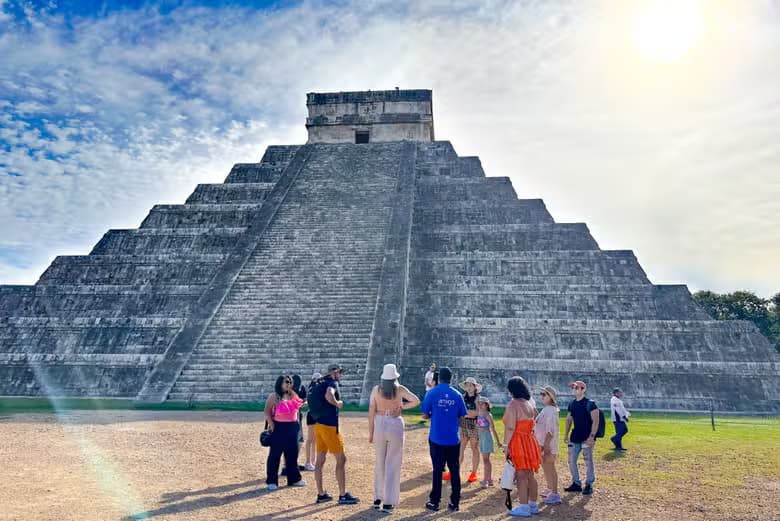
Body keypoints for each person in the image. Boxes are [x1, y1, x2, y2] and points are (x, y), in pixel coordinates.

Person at [368, 363, 420, 514]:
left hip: (379, 423)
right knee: (393, 463)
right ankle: (389, 502)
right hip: (395, 422)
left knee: (380, 462)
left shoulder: (376, 390)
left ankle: (378, 498)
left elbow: (371, 411)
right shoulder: (400, 389)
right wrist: (402, 407)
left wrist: (371, 432)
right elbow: (416, 401)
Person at [311, 363, 359, 505]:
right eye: (339, 372)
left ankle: (321, 494)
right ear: (334, 373)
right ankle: (343, 495)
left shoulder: (320, 383)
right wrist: (337, 403)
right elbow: (329, 395)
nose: (340, 375)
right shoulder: (331, 383)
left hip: (319, 425)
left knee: (320, 461)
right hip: (330, 427)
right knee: (341, 459)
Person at [420, 367, 467, 513]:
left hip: (437, 437)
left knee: (437, 470)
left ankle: (435, 501)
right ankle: (455, 502)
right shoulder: (458, 395)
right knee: (454, 470)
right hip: (453, 438)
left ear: (438, 379)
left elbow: (425, 414)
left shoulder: (432, 393)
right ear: (451, 379)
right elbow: (462, 415)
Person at [503, 376, 542, 517]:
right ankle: (533, 504)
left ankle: (524, 507)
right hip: (529, 441)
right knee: (530, 474)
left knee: (520, 475)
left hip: (518, 442)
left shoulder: (513, 405)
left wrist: (505, 445)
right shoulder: (528, 403)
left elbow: (510, 427)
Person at [263, 375, 306, 490]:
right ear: (280, 383)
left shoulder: (293, 395)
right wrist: (272, 425)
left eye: (290, 382)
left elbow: (298, 407)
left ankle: (294, 479)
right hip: (279, 427)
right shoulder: (274, 396)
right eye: (286, 382)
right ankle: (272, 481)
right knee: (274, 455)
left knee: (292, 455)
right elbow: (267, 411)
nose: (288, 384)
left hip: (292, 427)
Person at [563, 380, 600, 495]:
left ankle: (589, 484)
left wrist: (592, 436)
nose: (574, 390)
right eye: (573, 388)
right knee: (571, 460)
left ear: (583, 389)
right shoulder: (572, 404)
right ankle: (576, 483)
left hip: (587, 437)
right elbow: (569, 420)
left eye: (576, 388)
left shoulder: (590, 403)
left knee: (588, 461)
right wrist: (566, 434)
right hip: (575, 436)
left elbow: (596, 421)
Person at [445, 376, 481, 483]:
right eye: (467, 385)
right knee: (460, 448)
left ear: (475, 387)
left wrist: (465, 414)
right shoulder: (461, 397)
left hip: (474, 425)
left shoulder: (478, 399)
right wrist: (466, 414)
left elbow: (478, 413)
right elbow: (458, 411)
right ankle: (453, 471)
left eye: (471, 385)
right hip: (463, 424)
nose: (469, 387)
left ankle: (473, 473)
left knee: (474, 448)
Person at [534, 385, 561, 505]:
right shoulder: (547, 409)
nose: (542, 397)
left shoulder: (550, 410)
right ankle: (550, 488)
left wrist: (546, 446)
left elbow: (550, 431)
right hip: (543, 443)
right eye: (542, 394)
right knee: (546, 466)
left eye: (544, 394)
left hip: (546, 444)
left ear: (551, 397)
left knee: (550, 467)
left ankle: (555, 493)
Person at [475, 396, 502, 488]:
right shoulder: (479, 414)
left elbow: (493, 429)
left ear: (487, 405)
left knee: (486, 460)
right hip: (481, 438)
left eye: (482, 403)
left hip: (486, 437)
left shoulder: (488, 415)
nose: (480, 405)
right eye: (479, 403)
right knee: (485, 459)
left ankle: (486, 480)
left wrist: (498, 442)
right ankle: (489, 479)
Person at [303, 372, 321, 471]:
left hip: (317, 415)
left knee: (315, 440)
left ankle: (312, 461)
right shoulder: (313, 389)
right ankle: (308, 462)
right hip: (313, 415)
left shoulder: (315, 389)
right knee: (310, 440)